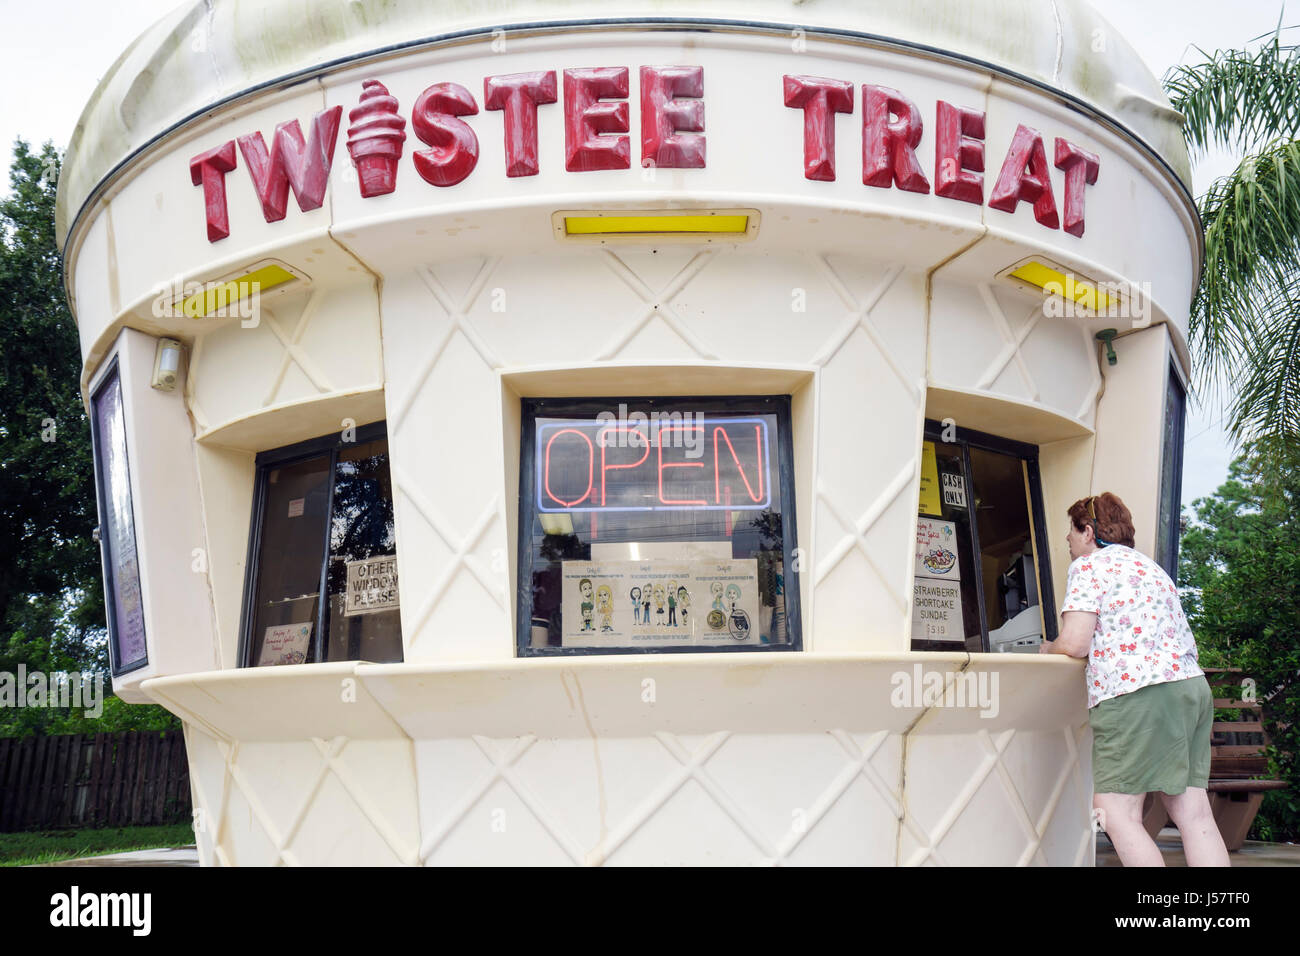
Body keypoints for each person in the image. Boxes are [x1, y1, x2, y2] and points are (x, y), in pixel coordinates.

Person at [1039, 492, 1229, 867]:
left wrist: (1049, 649)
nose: (1070, 545)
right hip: (1190, 687)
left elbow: (1076, 642)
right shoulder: (1150, 568)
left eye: (1072, 537)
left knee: (1114, 809)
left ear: (1089, 532)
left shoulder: (1090, 566)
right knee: (1192, 812)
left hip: (1137, 692)